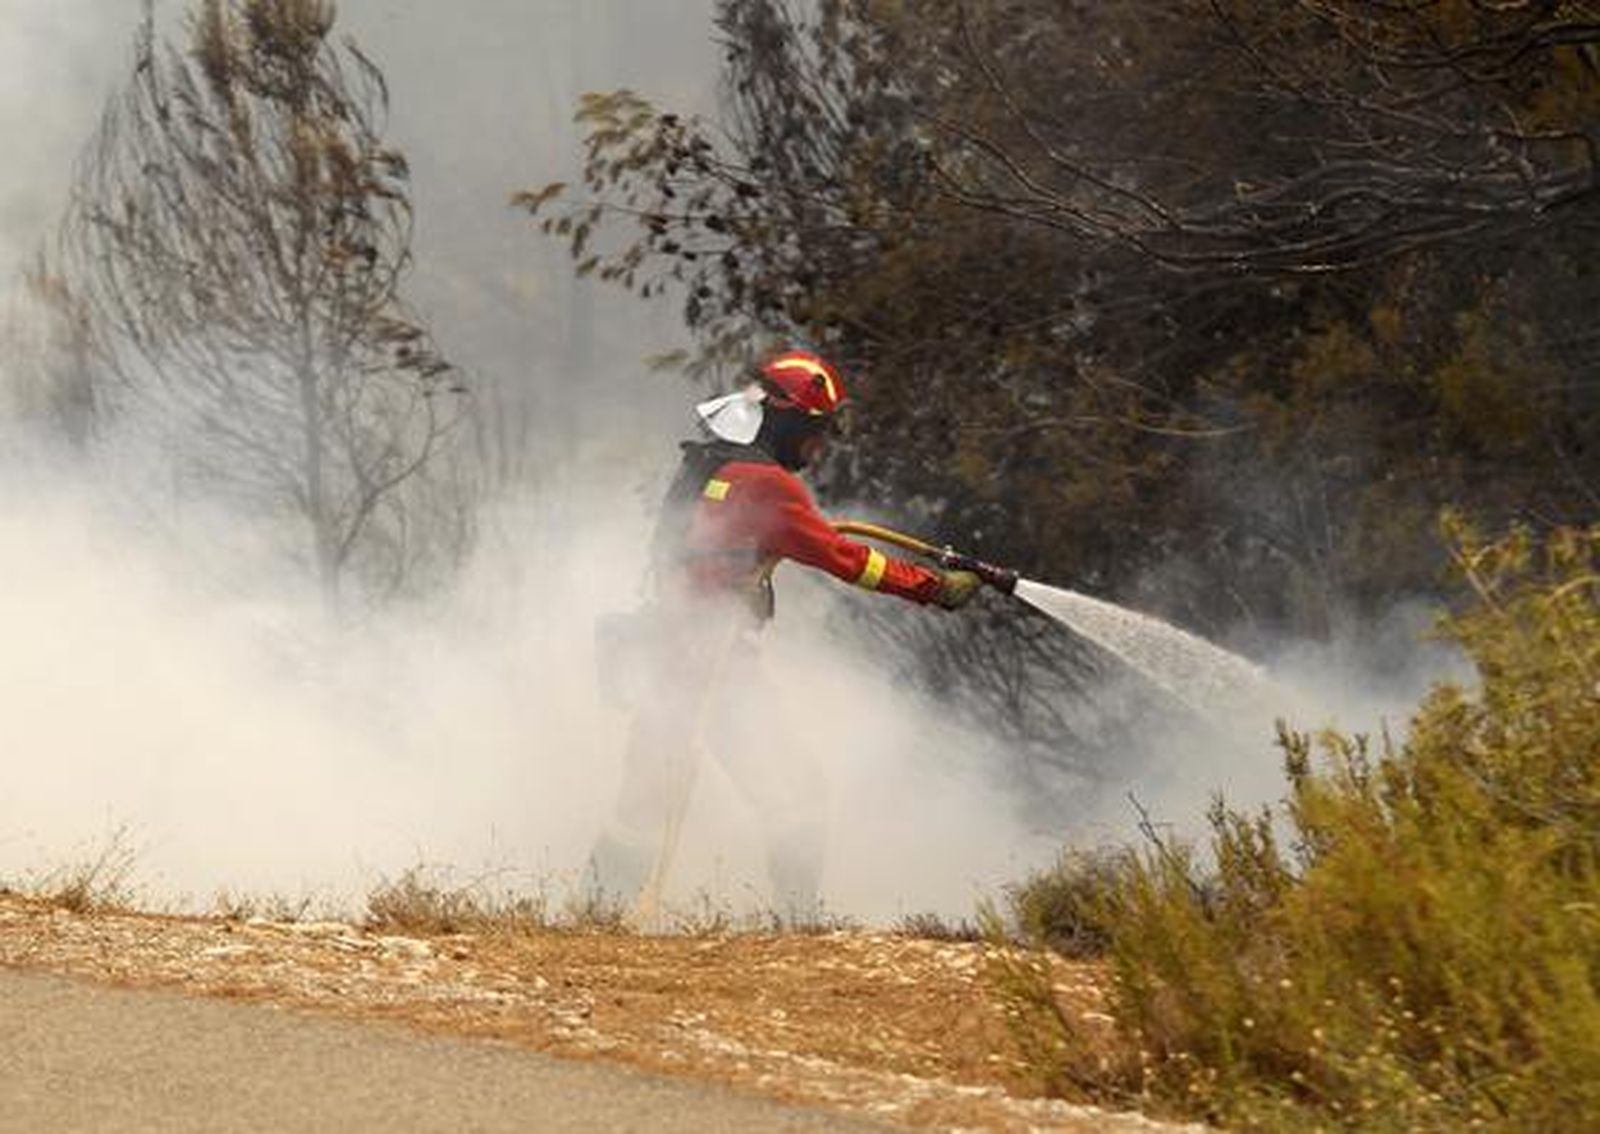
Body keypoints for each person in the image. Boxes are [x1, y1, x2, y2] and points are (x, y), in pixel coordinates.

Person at [589, 349, 981, 923]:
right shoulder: (766, 485)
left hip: (665, 656)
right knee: (797, 794)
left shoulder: (708, 464)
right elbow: (846, 558)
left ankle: (588, 923)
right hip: (718, 670)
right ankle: (797, 931)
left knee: (642, 805)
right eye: (815, 431)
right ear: (788, 421)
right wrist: (933, 587)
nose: (818, 448)